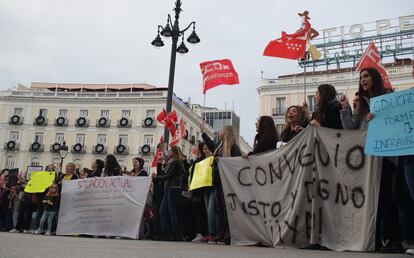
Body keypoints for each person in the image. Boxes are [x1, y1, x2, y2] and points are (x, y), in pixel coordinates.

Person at [201, 125, 241, 244]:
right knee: (219, 210)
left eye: (222, 131)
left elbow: (236, 165)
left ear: (227, 133)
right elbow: (211, 144)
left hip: (227, 183)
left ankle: (228, 235)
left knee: (226, 210)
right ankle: (221, 233)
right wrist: (203, 133)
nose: (220, 133)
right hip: (218, 182)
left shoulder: (233, 148)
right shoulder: (219, 147)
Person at [152, 145, 185, 241]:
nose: (168, 153)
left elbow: (168, 176)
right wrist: (159, 164)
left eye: (170, 151)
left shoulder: (176, 162)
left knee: (172, 210)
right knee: (163, 210)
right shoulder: (171, 163)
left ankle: (173, 233)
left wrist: (156, 178)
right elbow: (164, 174)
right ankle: (164, 232)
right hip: (169, 188)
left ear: (174, 152)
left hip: (174, 187)